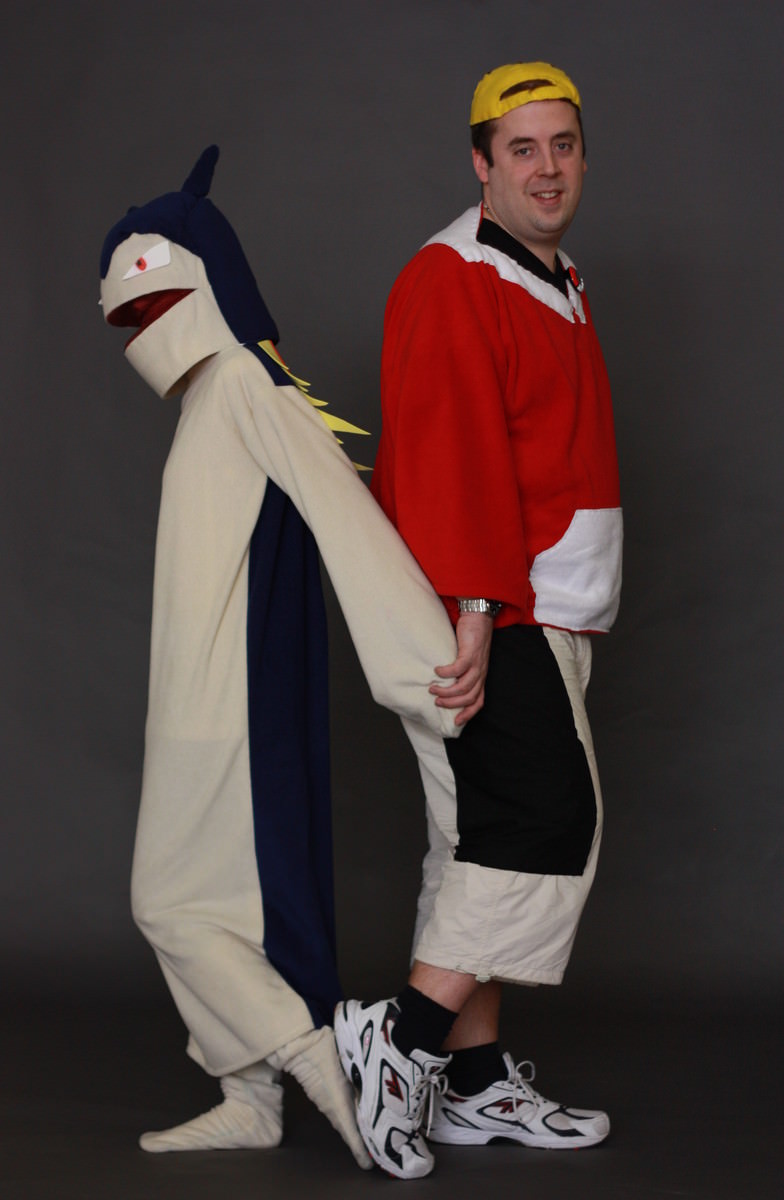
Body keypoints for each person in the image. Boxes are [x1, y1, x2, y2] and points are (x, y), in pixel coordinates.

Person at [99, 146, 462, 1167]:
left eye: (146, 299)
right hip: (193, 699)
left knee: (167, 900)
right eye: (125, 313)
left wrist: (426, 669)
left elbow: (346, 516)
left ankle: (318, 1064)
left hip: (236, 705)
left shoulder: (249, 386)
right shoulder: (215, 394)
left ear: (204, 279)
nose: (134, 327)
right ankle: (250, 1096)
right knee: (213, 902)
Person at [334, 62, 622, 1179]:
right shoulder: (451, 276)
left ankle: (471, 1082)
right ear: (481, 163)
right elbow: (447, 452)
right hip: (496, 607)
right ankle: (400, 1040)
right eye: (521, 149)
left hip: (547, 608)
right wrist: (474, 610)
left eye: (562, 145)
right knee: (543, 821)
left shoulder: (556, 277)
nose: (546, 168)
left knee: (479, 839)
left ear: (582, 155)